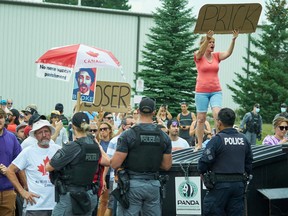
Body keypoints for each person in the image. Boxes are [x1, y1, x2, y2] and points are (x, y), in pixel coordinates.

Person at [111, 97, 172, 216]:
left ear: (138, 111)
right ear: (154, 112)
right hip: (153, 185)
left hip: (132, 185)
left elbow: (115, 164)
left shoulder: (128, 135)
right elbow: (166, 165)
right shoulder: (163, 136)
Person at [45, 112, 110, 216]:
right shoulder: (95, 146)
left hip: (71, 197)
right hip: (88, 195)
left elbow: (48, 167)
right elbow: (107, 161)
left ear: (73, 126)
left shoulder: (72, 147)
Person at [198, 108, 253, 216]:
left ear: (219, 122)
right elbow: (249, 163)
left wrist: (202, 172)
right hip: (238, 186)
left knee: (212, 212)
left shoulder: (217, 139)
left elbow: (204, 161)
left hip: (219, 186)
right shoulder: (244, 139)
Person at [194, 30, 239, 150]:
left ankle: (219, 139)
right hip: (201, 92)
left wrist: (233, 40)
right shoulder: (198, 56)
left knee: (217, 114)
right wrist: (207, 38)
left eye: (213, 42)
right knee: (201, 119)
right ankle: (198, 144)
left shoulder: (216, 56)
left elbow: (228, 53)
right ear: (204, 44)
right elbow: (199, 52)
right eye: (210, 42)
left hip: (215, 90)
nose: (212, 44)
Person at [6, 119, 61, 216]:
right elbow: (10, 171)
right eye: (40, 132)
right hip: (35, 207)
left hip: (56, 206)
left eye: (46, 131)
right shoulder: (28, 151)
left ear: (50, 133)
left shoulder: (58, 150)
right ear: (35, 136)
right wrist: (22, 192)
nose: (44, 134)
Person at [104, 115, 135, 216]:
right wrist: (103, 178)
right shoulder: (114, 141)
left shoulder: (136, 140)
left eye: (134, 124)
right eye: (130, 124)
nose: (132, 126)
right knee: (112, 206)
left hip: (132, 179)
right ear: (123, 126)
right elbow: (109, 161)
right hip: (116, 179)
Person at [0, 108, 22, 216]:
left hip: (8, 190)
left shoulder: (12, 138)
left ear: (5, 119)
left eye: (1, 117)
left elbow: (20, 163)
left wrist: (23, 187)